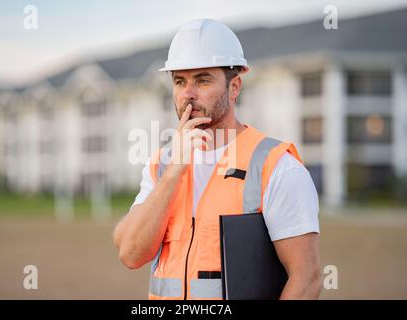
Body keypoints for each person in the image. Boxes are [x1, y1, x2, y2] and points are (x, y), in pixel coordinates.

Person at [113, 18, 321, 300]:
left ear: (234, 87)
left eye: (202, 80)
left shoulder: (276, 166)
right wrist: (174, 172)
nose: (188, 93)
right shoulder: (162, 165)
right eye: (179, 81)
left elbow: (306, 279)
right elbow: (131, 253)